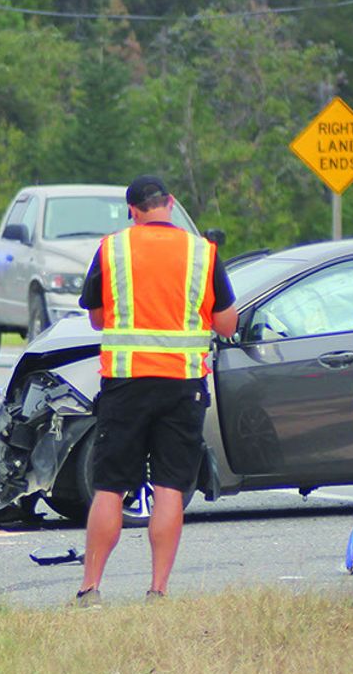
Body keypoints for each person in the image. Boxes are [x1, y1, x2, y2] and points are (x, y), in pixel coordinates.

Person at [72, 175, 238, 606]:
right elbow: (227, 323)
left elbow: (95, 317)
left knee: (110, 486)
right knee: (168, 488)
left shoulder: (112, 249)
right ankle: (157, 590)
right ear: (170, 203)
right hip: (182, 387)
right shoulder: (203, 253)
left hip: (126, 384)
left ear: (132, 210)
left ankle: (91, 589)